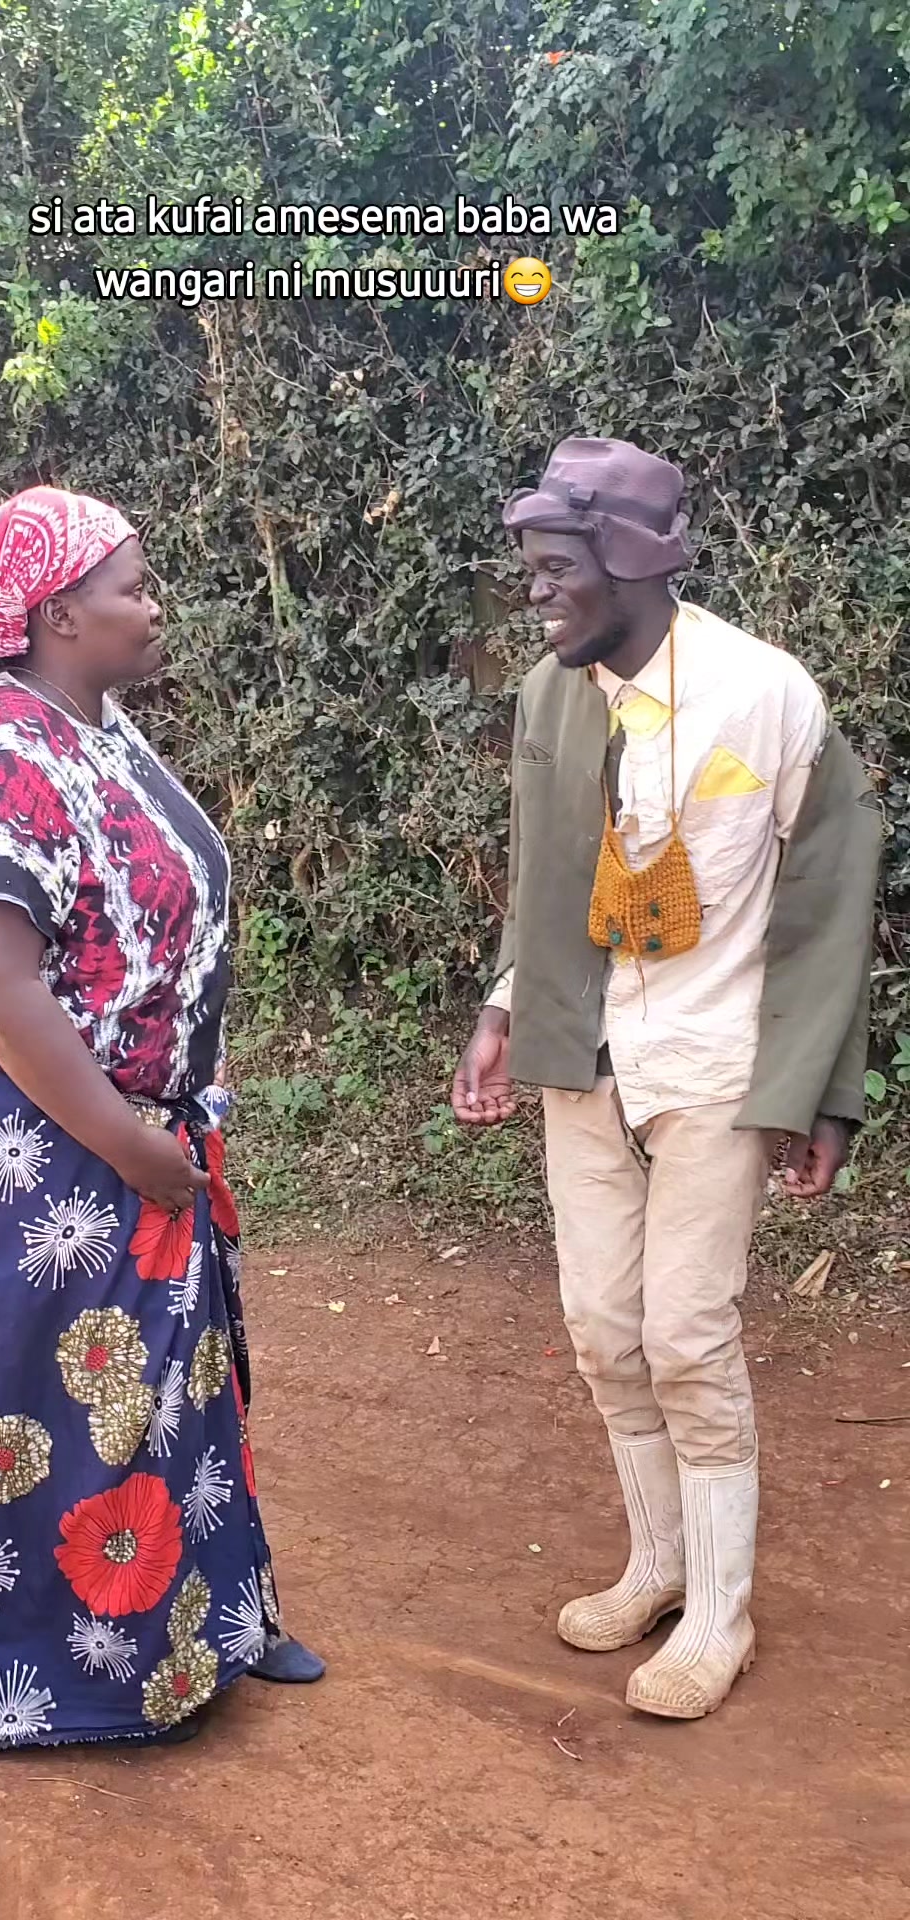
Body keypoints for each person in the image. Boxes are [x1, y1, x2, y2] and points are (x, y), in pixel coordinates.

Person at [452, 438, 880, 1719]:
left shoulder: (765, 694)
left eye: (556, 569)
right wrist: (502, 1008)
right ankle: (660, 1568)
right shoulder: (553, 695)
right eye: (530, 570)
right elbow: (544, 879)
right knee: (601, 1327)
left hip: (719, 1056)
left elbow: (831, 898)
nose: (536, 594)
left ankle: (722, 1616)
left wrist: (824, 1090)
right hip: (586, 1050)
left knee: (687, 1333)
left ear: (632, 564)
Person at [0, 484, 324, 1753]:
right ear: (59, 614)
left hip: (132, 1133)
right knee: (52, 1416)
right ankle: (71, 1682)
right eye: (133, 587)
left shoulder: (93, 728)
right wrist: (130, 1141)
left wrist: (159, 1127)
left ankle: (212, 1628)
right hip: (38, 1156)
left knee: (174, 1391)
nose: (154, 607)